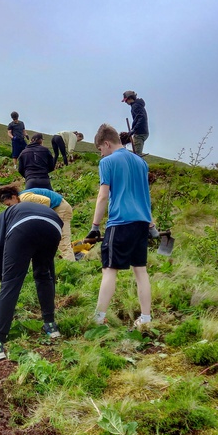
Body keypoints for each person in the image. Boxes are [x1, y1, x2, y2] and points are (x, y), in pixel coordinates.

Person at [87, 123, 159, 329]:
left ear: (106, 143)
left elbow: (103, 196)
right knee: (141, 271)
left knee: (109, 269)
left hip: (119, 222)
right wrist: (150, 222)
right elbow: (145, 195)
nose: (101, 154)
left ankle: (99, 317)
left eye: (100, 149)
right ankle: (146, 318)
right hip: (141, 224)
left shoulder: (108, 162)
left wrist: (95, 226)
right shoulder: (140, 162)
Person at [0, 185, 63, 361]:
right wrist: (49, 271)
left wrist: (2, 273)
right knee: (43, 275)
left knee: (11, 283)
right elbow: (49, 270)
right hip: (54, 224)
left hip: (23, 227)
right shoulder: (23, 206)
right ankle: (51, 326)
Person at [19, 186, 75, 261]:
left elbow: (46, 201)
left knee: (63, 241)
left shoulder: (23, 198)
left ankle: (70, 264)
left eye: (9, 204)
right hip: (55, 209)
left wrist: (44, 218)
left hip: (61, 208)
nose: (10, 207)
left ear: (13, 197)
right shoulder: (21, 201)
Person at [122, 91, 149, 156]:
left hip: (139, 133)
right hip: (143, 131)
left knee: (136, 156)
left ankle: (138, 165)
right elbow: (139, 118)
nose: (126, 102)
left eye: (126, 100)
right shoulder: (138, 104)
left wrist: (134, 129)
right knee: (136, 154)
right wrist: (133, 129)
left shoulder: (135, 106)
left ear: (130, 98)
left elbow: (141, 118)